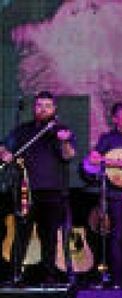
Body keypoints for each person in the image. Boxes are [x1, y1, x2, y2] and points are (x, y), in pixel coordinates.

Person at [0, 91, 76, 285]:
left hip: (52, 192)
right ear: (34, 108)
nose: (42, 109)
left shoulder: (61, 130)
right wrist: (5, 153)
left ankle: (49, 276)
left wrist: (64, 141)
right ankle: (15, 275)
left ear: (54, 108)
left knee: (49, 236)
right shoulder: (23, 130)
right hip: (25, 190)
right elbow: (5, 147)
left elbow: (68, 156)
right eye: (39, 105)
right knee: (21, 234)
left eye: (47, 106)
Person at [83, 102, 122, 288]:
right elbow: (94, 158)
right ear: (115, 119)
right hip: (115, 194)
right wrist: (117, 163)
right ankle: (117, 278)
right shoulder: (107, 138)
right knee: (117, 236)